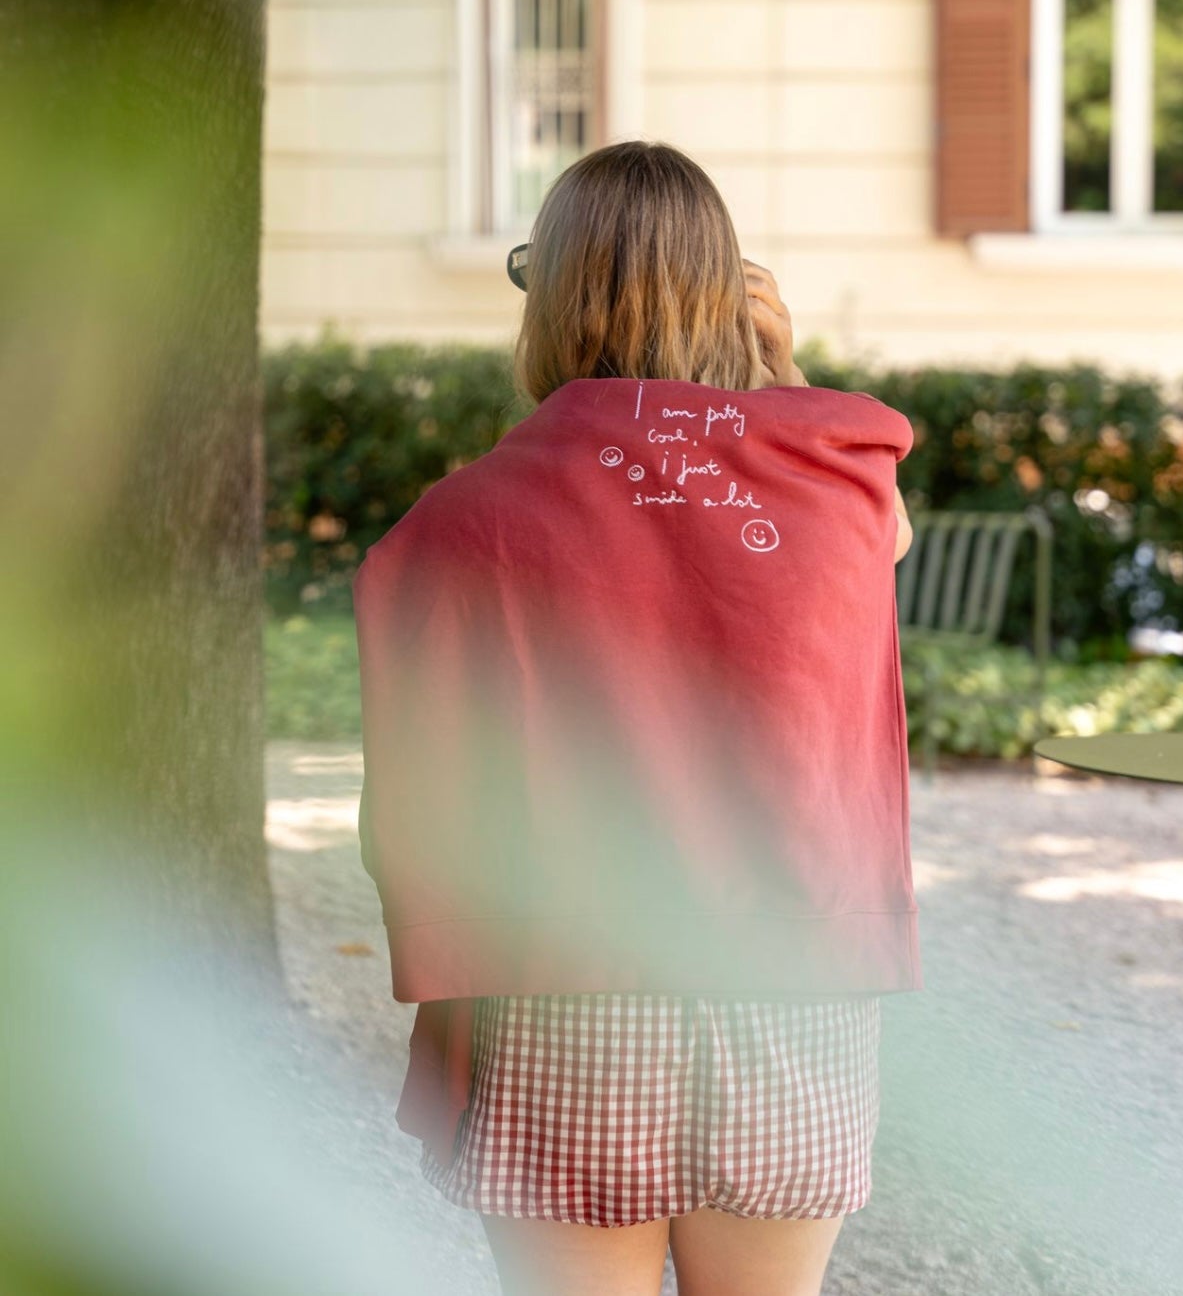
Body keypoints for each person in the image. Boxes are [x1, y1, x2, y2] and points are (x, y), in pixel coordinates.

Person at [353, 139, 919, 1296]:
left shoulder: (468, 518)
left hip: (571, 986)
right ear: (733, 294)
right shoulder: (841, 488)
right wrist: (779, 378)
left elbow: (424, 761)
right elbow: (889, 538)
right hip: (793, 984)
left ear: (551, 297)